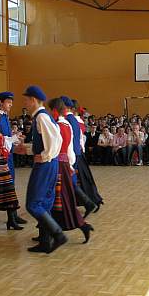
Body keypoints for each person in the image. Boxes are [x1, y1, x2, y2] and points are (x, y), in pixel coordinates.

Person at [23, 85, 68, 254]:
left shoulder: (41, 117)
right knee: (45, 202)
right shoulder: (43, 116)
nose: (25, 104)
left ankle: (58, 234)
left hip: (45, 165)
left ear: (33, 100)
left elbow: (55, 140)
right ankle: (45, 241)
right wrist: (29, 150)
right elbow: (51, 140)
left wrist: (44, 156)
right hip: (50, 163)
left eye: (26, 100)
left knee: (33, 204)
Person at [47, 97, 94, 243]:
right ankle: (48, 232)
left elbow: (55, 148)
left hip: (58, 165)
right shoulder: (66, 124)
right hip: (65, 163)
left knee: (59, 199)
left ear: (54, 110)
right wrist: (71, 165)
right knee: (59, 200)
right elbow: (69, 149)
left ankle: (81, 225)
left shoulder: (58, 126)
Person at [0, 91, 27, 225]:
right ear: (0, 102)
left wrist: (15, 139)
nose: (10, 105)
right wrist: (13, 138)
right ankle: (10, 216)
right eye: (8, 102)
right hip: (0, 156)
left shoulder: (5, 116)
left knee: (11, 184)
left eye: (11, 103)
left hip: (8, 154)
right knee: (6, 186)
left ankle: (13, 215)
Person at [63, 97, 101, 216]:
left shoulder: (72, 120)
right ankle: (89, 201)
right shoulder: (75, 120)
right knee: (81, 180)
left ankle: (91, 201)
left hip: (74, 154)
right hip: (78, 153)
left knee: (81, 180)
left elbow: (77, 139)